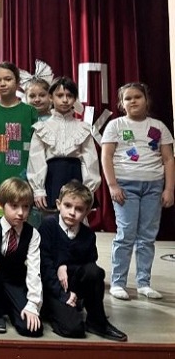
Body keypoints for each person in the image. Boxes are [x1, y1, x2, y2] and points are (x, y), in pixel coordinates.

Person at [101, 82, 174, 300]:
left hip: (153, 186)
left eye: (137, 97)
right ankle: (118, 282)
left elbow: (168, 159)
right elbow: (106, 156)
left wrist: (169, 189)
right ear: (121, 104)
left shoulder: (159, 127)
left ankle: (144, 283)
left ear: (146, 100)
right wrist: (113, 185)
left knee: (147, 236)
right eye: (128, 98)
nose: (133, 101)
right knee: (126, 234)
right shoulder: (115, 125)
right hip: (126, 186)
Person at [39, 180, 127, 341]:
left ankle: (97, 321)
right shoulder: (48, 226)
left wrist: (64, 265)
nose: (72, 212)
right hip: (51, 287)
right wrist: (63, 294)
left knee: (95, 272)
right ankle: (51, 311)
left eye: (79, 209)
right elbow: (44, 265)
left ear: (87, 212)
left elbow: (89, 267)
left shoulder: (88, 235)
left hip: (73, 284)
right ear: (58, 204)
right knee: (74, 329)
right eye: (67, 206)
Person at [0, 177, 43, 337]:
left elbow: (34, 270)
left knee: (31, 329)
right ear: (0, 204)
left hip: (16, 282)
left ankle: (11, 306)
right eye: (14, 206)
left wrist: (33, 304)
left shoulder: (32, 234)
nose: (21, 213)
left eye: (25, 207)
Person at [27, 77, 100, 213]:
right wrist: (38, 189)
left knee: (76, 216)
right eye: (60, 95)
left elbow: (90, 160)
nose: (65, 100)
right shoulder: (42, 127)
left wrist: (88, 188)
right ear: (51, 97)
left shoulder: (83, 128)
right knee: (51, 217)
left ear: (75, 98)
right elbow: (36, 159)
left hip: (76, 176)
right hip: (52, 176)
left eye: (69, 96)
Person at [0, 62, 38, 219]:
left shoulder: (30, 112)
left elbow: (36, 148)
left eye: (8, 79)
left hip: (23, 179)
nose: (2, 83)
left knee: (21, 220)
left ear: (17, 82)